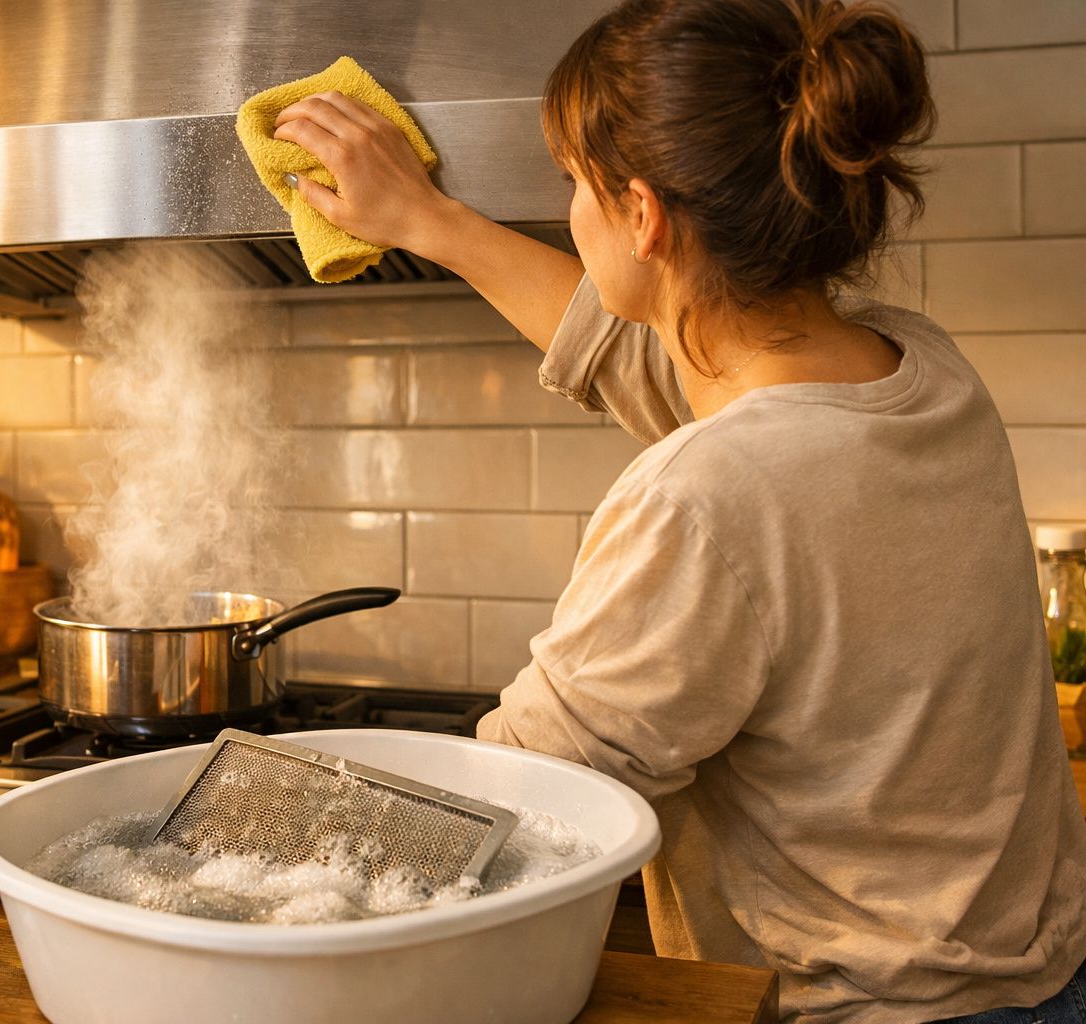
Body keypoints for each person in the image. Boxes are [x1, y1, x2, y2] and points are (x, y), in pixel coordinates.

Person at [272, 0, 1086, 1020]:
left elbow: (526, 791)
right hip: (1045, 979)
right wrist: (425, 220)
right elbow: (653, 355)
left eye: (575, 186)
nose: (568, 208)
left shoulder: (708, 495)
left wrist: (269, 874)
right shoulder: (919, 370)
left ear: (645, 216)